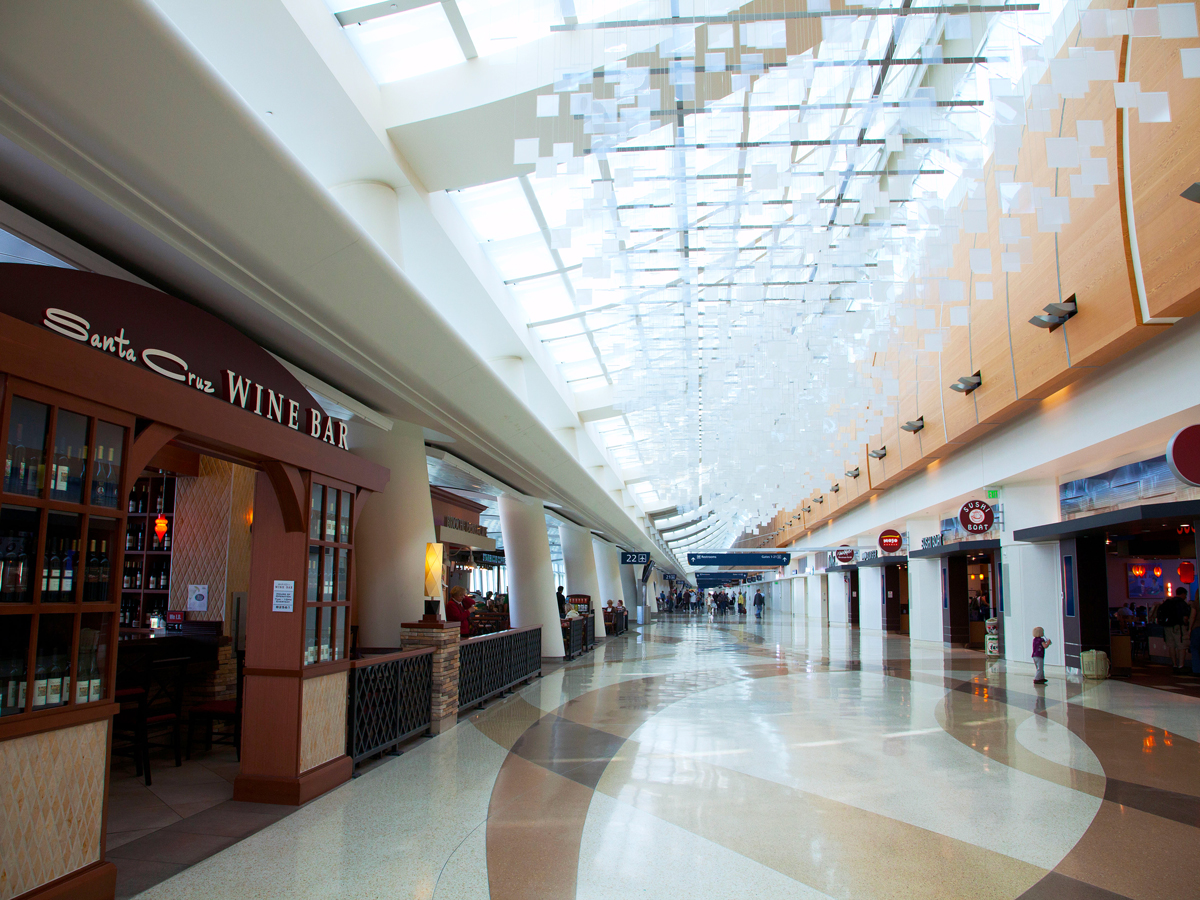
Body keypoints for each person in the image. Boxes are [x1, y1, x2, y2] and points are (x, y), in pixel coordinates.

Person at [1156, 588, 1192, 673]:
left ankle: (1174, 664)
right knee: (1181, 646)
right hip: (1178, 626)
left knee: (1171, 646)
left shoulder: (1168, 602)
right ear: (1183, 594)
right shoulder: (1182, 603)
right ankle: (1181, 665)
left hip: (1167, 626)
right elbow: (1185, 617)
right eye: (1185, 595)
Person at [1188, 587, 1200, 675]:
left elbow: (1192, 617)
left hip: (1197, 628)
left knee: (1195, 649)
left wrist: (1189, 629)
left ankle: (1196, 670)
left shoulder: (1195, 604)